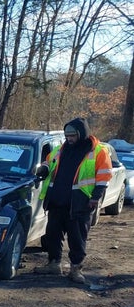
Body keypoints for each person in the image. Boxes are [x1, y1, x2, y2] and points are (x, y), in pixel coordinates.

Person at [35, 118, 112, 283]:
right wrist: (43, 168)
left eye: (72, 135)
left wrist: (95, 198)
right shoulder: (61, 150)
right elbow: (48, 162)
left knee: (77, 239)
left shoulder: (98, 151)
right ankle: (54, 264)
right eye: (67, 135)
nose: (69, 138)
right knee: (52, 236)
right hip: (57, 203)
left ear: (81, 133)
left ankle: (76, 269)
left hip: (80, 205)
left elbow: (104, 177)